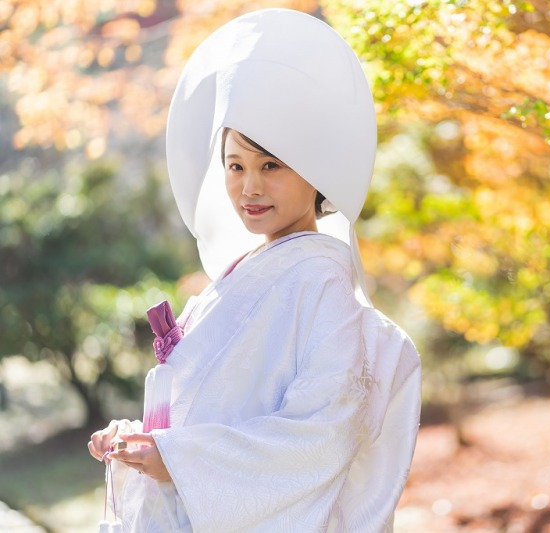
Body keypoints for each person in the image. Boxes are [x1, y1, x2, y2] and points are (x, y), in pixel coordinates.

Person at [87, 8, 421, 532]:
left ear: (315, 171)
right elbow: (208, 408)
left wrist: (181, 458)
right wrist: (142, 440)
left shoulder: (322, 281)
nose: (250, 187)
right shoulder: (241, 272)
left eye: (271, 165)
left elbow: (324, 434)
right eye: (235, 165)